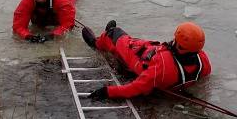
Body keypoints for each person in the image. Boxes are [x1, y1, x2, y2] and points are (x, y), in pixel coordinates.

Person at [81, 20, 211, 99]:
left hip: (139, 57)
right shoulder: (203, 61)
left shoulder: (161, 67)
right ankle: (111, 32)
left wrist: (107, 91)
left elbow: (134, 89)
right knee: (131, 41)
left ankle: (98, 41)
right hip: (151, 52)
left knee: (115, 35)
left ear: (179, 44)